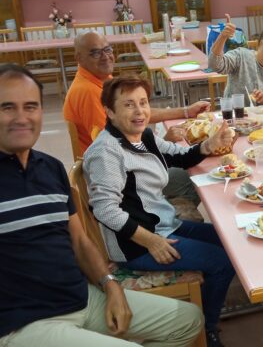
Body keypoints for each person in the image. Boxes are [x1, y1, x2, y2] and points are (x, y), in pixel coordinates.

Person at [0, 64, 203, 347]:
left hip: (81, 297)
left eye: (31, 106)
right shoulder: (108, 150)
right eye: (7, 107)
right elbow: (107, 209)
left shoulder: (49, 169)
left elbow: (80, 242)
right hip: (24, 323)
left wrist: (110, 284)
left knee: (188, 320)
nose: (22, 117)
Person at [82, 75, 236, 346]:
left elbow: (180, 156)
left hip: (165, 225)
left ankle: (208, 299)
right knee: (222, 261)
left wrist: (211, 143)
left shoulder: (144, 136)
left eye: (143, 102)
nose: (139, 111)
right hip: (138, 245)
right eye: (129, 105)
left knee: (230, 241)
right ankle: (208, 329)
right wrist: (150, 241)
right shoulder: (107, 152)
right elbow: (104, 209)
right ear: (109, 111)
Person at [63, 31, 207, 207]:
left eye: (107, 49)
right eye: (95, 52)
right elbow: (116, 152)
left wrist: (186, 112)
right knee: (195, 174)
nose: (105, 56)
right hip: (126, 183)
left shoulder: (98, 78)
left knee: (191, 158)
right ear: (79, 57)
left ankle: (170, 213)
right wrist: (159, 143)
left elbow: (135, 115)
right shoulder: (88, 91)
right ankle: (166, 216)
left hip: (129, 171)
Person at [208, 14, 263, 105]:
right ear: (262, 37)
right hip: (235, 115)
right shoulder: (241, 56)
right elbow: (214, 64)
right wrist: (223, 36)